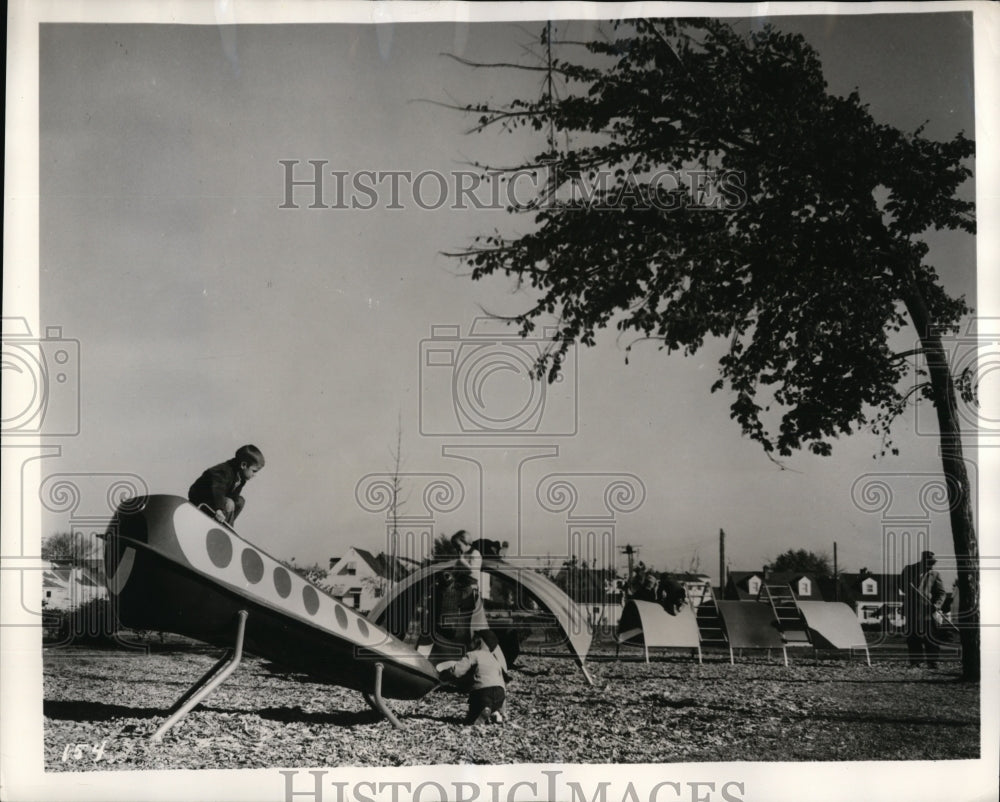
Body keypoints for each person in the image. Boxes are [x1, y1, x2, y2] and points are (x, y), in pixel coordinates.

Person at [442, 630, 509, 725]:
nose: (470, 642)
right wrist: (503, 710)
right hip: (500, 694)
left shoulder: (473, 654)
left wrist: (445, 674)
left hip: (483, 692)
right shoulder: (495, 660)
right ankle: (496, 713)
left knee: (472, 715)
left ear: (479, 641)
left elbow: (457, 671)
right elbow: (502, 682)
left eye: (473, 639)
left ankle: (481, 711)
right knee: (492, 701)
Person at [188, 445, 265, 525]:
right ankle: (224, 528)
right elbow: (217, 489)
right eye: (254, 471)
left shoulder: (241, 478)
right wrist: (219, 509)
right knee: (229, 503)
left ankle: (226, 525)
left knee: (240, 501)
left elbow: (234, 497)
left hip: (216, 501)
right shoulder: (224, 471)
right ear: (244, 465)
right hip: (201, 499)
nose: (254, 475)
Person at [900, 550, 946, 668]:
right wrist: (906, 584)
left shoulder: (934, 574)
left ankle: (932, 661)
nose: (931, 565)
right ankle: (916, 661)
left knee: (931, 637)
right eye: (929, 562)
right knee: (913, 636)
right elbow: (900, 584)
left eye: (933, 563)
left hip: (928, 610)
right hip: (912, 609)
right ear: (923, 560)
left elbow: (941, 593)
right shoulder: (909, 570)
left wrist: (937, 604)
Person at [451, 530, 489, 643]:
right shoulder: (462, 556)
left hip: (470, 590)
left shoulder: (475, 554)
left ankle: (470, 641)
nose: (457, 549)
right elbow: (455, 571)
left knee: (470, 619)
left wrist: (461, 561)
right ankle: (462, 640)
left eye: (458, 546)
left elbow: (472, 570)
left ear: (466, 542)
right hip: (461, 590)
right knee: (462, 620)